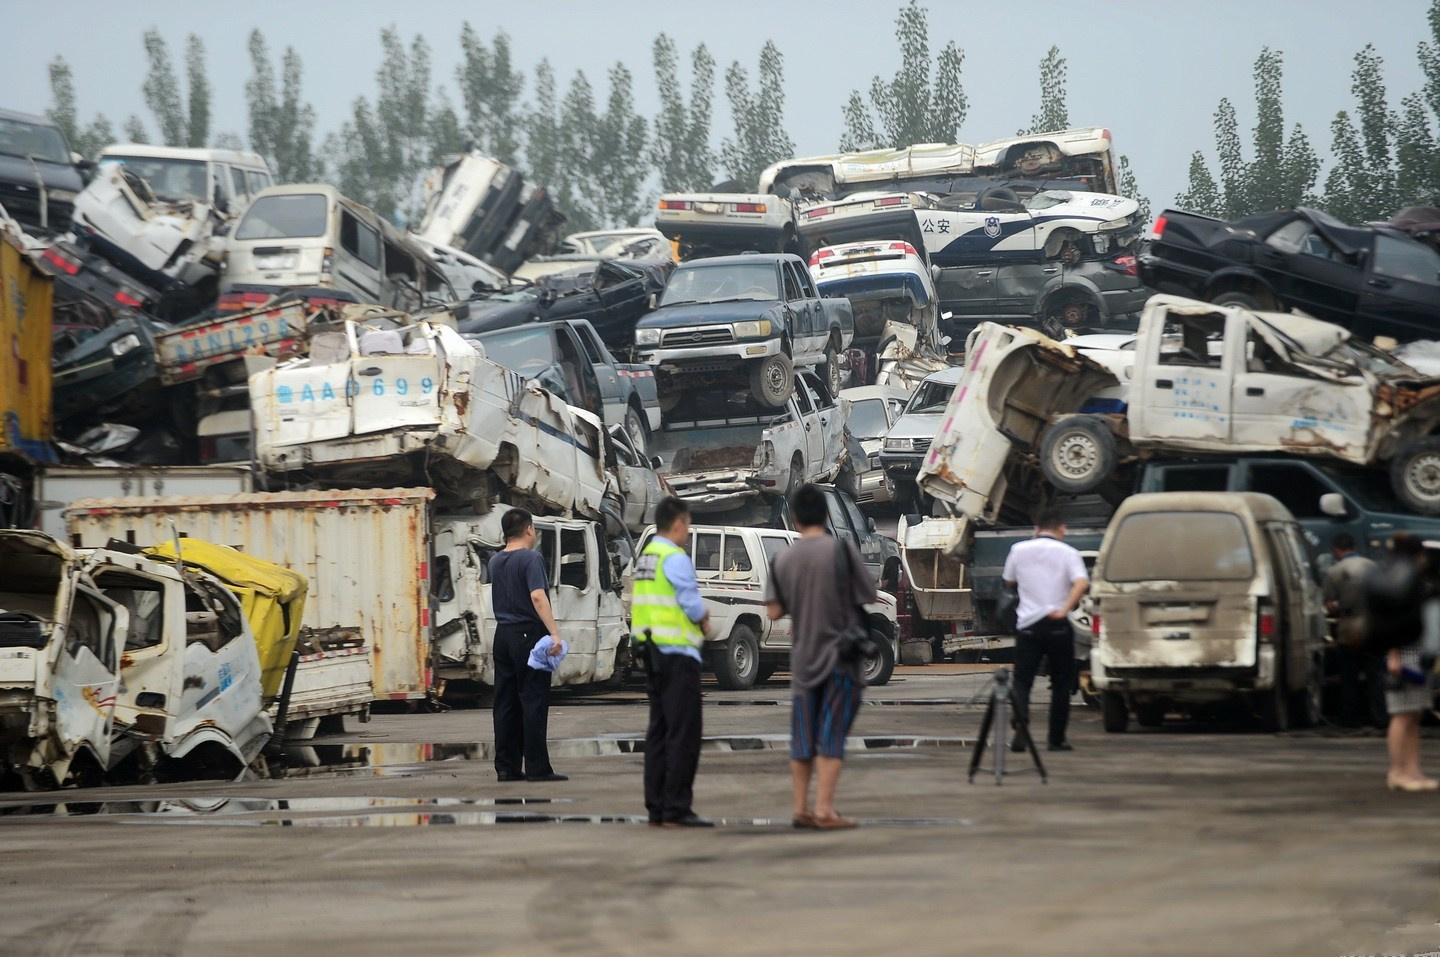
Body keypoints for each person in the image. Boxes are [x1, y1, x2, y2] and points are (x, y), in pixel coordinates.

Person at [766, 484, 877, 830]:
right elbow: (868, 596)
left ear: (795, 518)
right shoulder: (842, 552)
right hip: (841, 661)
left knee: (803, 735)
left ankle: (801, 808)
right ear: (825, 515)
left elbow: (773, 611)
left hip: (803, 662)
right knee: (831, 736)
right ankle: (825, 810)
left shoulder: (784, 557)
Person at [632, 496, 713, 827]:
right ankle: (677, 808)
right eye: (689, 526)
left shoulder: (646, 557)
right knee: (684, 732)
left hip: (650, 653)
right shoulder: (674, 557)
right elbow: (691, 604)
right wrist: (705, 619)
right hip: (677, 653)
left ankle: (657, 807)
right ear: (678, 524)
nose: (689, 532)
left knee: (659, 731)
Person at [488, 508, 566, 783]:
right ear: (529, 529)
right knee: (533, 700)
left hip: (503, 635)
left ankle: (506, 767)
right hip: (527, 635)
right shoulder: (531, 558)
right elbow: (537, 597)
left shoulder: (496, 561)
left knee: (505, 702)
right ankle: (537, 767)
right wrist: (554, 633)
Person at [1003, 507, 1089, 753]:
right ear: (1062, 529)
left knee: (1022, 681)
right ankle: (1056, 739)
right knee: (1061, 683)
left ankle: (1021, 721)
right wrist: (1064, 609)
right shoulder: (1069, 552)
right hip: (1058, 625)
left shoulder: (1018, 550)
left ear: (1036, 529)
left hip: (1028, 625)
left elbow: (1009, 582)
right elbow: (1082, 583)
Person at [1382, 534, 1437, 792]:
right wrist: (1392, 655)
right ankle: (1397, 771)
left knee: (1414, 715)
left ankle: (1412, 770)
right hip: (1403, 654)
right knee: (1402, 715)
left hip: (1417, 652)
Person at [1322, 533, 1379, 727]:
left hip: (1348, 626)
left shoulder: (1334, 571)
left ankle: (1349, 719)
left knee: (1348, 676)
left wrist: (1338, 606)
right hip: (1373, 626)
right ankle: (1381, 718)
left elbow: (1329, 605)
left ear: (1337, 550)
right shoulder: (1373, 567)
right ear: (1354, 547)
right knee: (1375, 674)